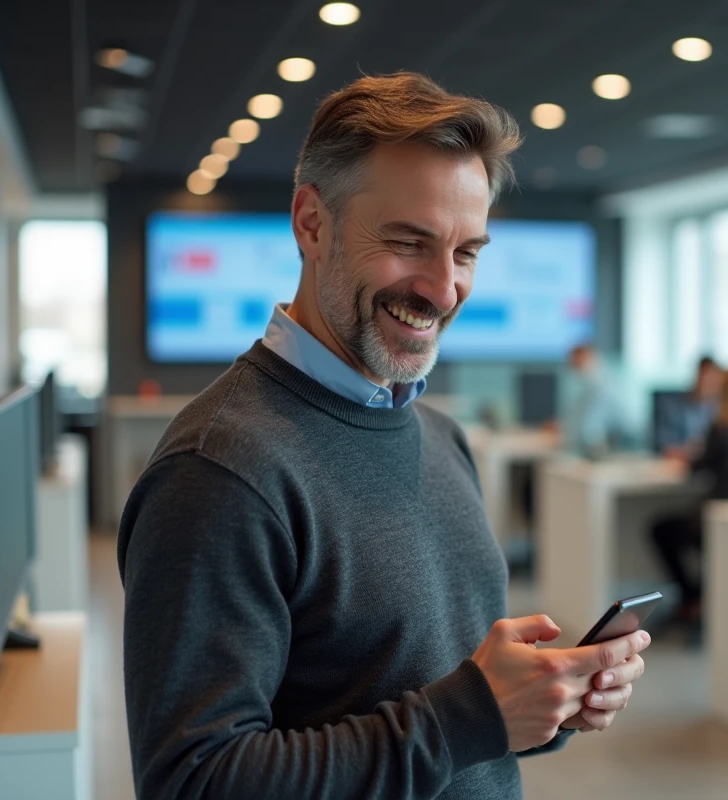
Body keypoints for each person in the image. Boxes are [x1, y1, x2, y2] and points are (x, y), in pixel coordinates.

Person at [117, 73, 650, 800]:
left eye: (466, 253)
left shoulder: (438, 435)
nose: (441, 288)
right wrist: (473, 714)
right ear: (311, 223)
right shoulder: (220, 471)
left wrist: (545, 702)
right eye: (408, 242)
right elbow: (195, 781)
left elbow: (439, 706)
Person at [651, 368, 728, 624]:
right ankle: (698, 597)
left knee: (660, 530)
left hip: (712, 520)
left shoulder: (721, 428)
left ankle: (691, 596)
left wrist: (687, 453)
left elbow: (697, 466)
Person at [559, 343, 626, 459]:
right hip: (596, 446)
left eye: (578, 360)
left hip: (614, 447)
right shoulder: (588, 385)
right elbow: (577, 418)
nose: (575, 365)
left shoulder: (600, 385)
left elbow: (589, 428)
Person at [654, 356, 723, 456]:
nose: (709, 384)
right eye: (706, 378)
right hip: (677, 464)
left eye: (714, 380)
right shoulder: (671, 406)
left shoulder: (717, 410)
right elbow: (664, 446)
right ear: (697, 376)